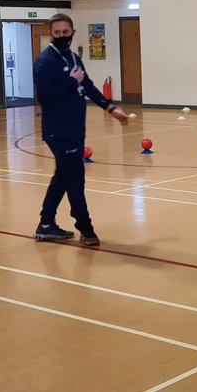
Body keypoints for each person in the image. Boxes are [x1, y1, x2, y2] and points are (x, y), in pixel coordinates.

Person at [33, 13, 129, 246]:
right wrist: (70, 82)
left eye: (65, 32)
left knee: (64, 176)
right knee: (75, 178)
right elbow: (45, 97)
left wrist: (110, 108)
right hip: (59, 130)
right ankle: (85, 228)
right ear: (51, 34)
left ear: (73, 32)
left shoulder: (73, 58)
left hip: (75, 128)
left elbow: (87, 86)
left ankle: (46, 224)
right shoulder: (46, 61)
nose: (62, 36)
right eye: (57, 33)